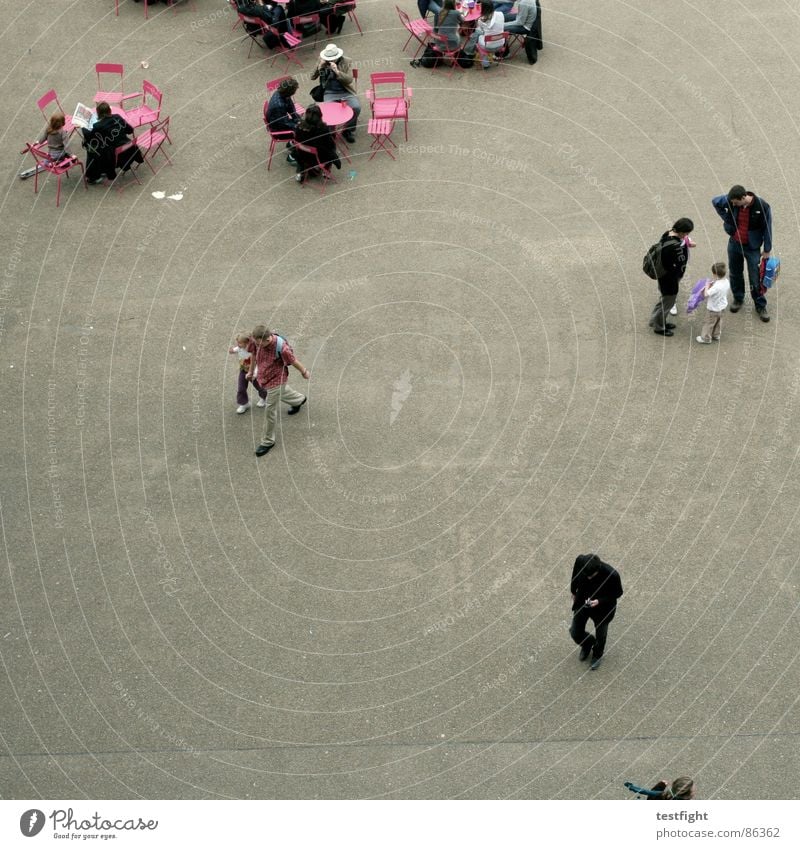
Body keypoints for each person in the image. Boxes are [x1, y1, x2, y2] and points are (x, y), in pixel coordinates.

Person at [712, 185, 773, 322]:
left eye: (735, 202)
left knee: (755, 277)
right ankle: (738, 299)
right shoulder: (732, 200)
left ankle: (760, 305)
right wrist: (728, 219)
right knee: (735, 272)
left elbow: (767, 228)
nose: (732, 204)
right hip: (734, 244)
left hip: (752, 248)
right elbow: (715, 201)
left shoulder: (762, 206)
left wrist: (767, 249)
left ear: (743, 197)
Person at [247, 326, 311, 457]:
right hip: (264, 377)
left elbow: (293, 361)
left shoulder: (282, 348)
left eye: (259, 344)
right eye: (256, 343)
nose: (257, 346)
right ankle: (299, 399)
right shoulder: (256, 342)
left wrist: (304, 371)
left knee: (270, 410)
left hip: (277, 379)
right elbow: (253, 355)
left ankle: (268, 441)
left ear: (266, 339)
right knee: (282, 393)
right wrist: (250, 371)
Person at [569, 553, 623, 671]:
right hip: (583, 603)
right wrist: (573, 591)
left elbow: (618, 593)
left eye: (591, 576)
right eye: (586, 575)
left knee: (601, 636)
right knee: (575, 632)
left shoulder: (612, 575)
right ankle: (587, 643)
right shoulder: (580, 561)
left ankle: (597, 655)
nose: (588, 578)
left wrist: (599, 601)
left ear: (598, 569)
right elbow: (575, 575)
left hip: (603, 609)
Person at [647, 217, 694, 337]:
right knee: (667, 302)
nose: (687, 236)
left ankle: (656, 321)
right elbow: (676, 264)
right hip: (669, 279)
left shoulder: (667, 234)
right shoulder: (675, 246)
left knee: (664, 300)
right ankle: (659, 327)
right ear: (682, 232)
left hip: (663, 276)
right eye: (687, 233)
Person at [82, 102, 143, 184]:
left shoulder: (98, 126)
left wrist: (83, 126)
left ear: (98, 113)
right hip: (129, 150)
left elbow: (90, 138)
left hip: (112, 156)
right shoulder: (117, 117)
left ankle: (93, 177)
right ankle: (100, 171)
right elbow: (130, 130)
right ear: (110, 110)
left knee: (91, 149)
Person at [310, 44, 360, 143]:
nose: (330, 61)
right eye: (329, 59)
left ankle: (347, 130)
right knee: (328, 113)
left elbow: (349, 80)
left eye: (333, 59)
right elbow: (312, 76)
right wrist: (319, 67)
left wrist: (337, 71)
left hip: (345, 91)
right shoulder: (322, 60)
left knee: (356, 107)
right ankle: (331, 132)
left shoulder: (346, 61)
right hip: (329, 92)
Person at [292, 103, 341, 183]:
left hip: (302, 155)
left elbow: (297, 141)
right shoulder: (322, 130)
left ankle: (302, 171)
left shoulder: (299, 126)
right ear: (320, 116)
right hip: (317, 158)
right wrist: (335, 158)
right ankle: (326, 171)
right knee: (332, 147)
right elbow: (328, 148)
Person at [264, 77, 300, 164]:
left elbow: (291, 107)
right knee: (304, 132)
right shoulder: (279, 105)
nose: (295, 92)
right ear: (290, 91)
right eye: (294, 90)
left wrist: (297, 119)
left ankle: (291, 144)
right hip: (278, 131)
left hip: (281, 122)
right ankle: (292, 157)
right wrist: (298, 125)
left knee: (301, 124)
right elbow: (285, 124)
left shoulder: (281, 93)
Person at [229, 333, 268, 414]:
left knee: (260, 387)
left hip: (254, 373)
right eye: (237, 342)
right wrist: (232, 351)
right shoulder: (240, 348)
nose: (238, 344)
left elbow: (258, 363)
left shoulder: (253, 351)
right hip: (243, 371)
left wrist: (255, 374)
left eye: (240, 343)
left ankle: (264, 398)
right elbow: (234, 350)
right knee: (241, 388)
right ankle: (244, 403)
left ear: (247, 343)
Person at [696, 262, 730, 344]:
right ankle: (716, 335)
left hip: (713, 309)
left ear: (715, 274)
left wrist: (707, 285)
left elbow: (706, 294)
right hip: (722, 307)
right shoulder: (726, 282)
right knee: (718, 321)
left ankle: (706, 338)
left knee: (709, 323)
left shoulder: (716, 287)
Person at [465, 1, 506, 68]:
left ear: (483, 8)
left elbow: (479, 30)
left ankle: (484, 63)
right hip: (501, 44)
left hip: (488, 47)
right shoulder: (500, 14)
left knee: (476, 34)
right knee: (482, 34)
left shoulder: (482, 20)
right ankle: (470, 52)